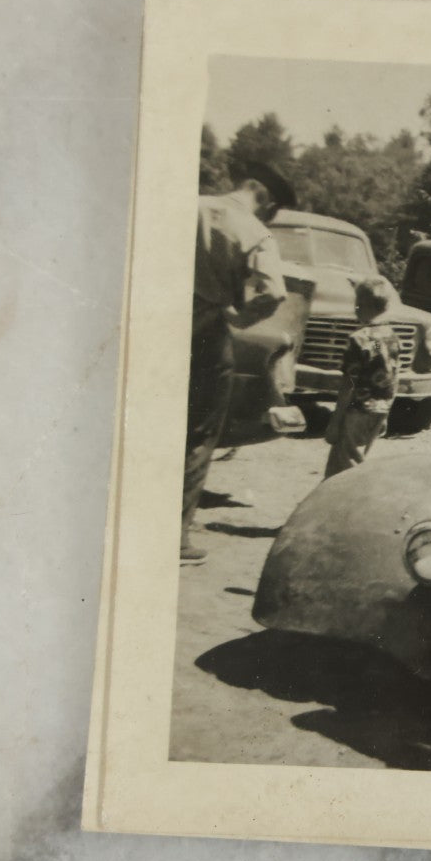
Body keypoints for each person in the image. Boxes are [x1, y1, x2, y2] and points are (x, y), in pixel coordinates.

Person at [183, 161, 293, 565]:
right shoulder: (254, 231)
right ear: (268, 202)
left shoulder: (189, 205)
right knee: (198, 436)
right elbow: (273, 292)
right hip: (206, 336)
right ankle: (175, 537)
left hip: (155, 321)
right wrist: (238, 318)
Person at [323, 279, 403, 479]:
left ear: (362, 305)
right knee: (340, 461)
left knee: (350, 466)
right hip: (380, 409)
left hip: (358, 411)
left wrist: (335, 421)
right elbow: (391, 376)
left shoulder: (359, 339)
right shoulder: (389, 337)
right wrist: (386, 412)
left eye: (356, 304)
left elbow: (349, 383)